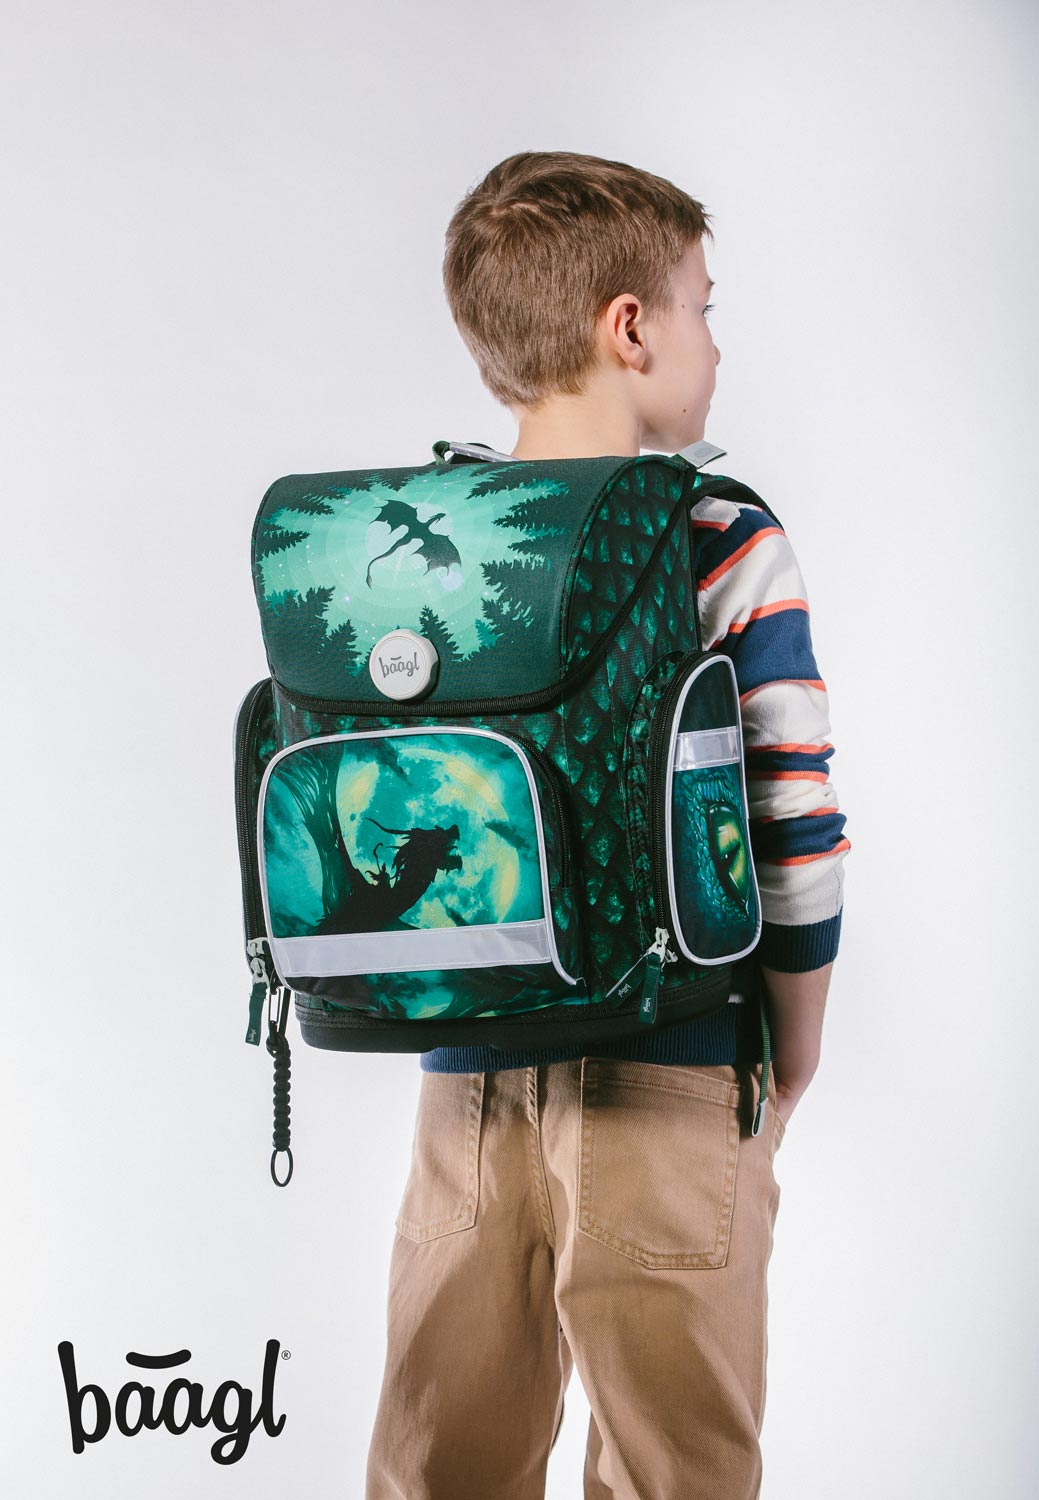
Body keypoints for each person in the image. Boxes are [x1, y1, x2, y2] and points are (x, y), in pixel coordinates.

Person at [365, 150, 851, 1500]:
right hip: (674, 1058)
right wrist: (794, 1044)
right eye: (702, 306)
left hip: (466, 1073)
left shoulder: (430, 535)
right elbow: (792, 811)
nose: (715, 341)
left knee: (441, 1460)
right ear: (629, 328)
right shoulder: (716, 532)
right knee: (670, 1465)